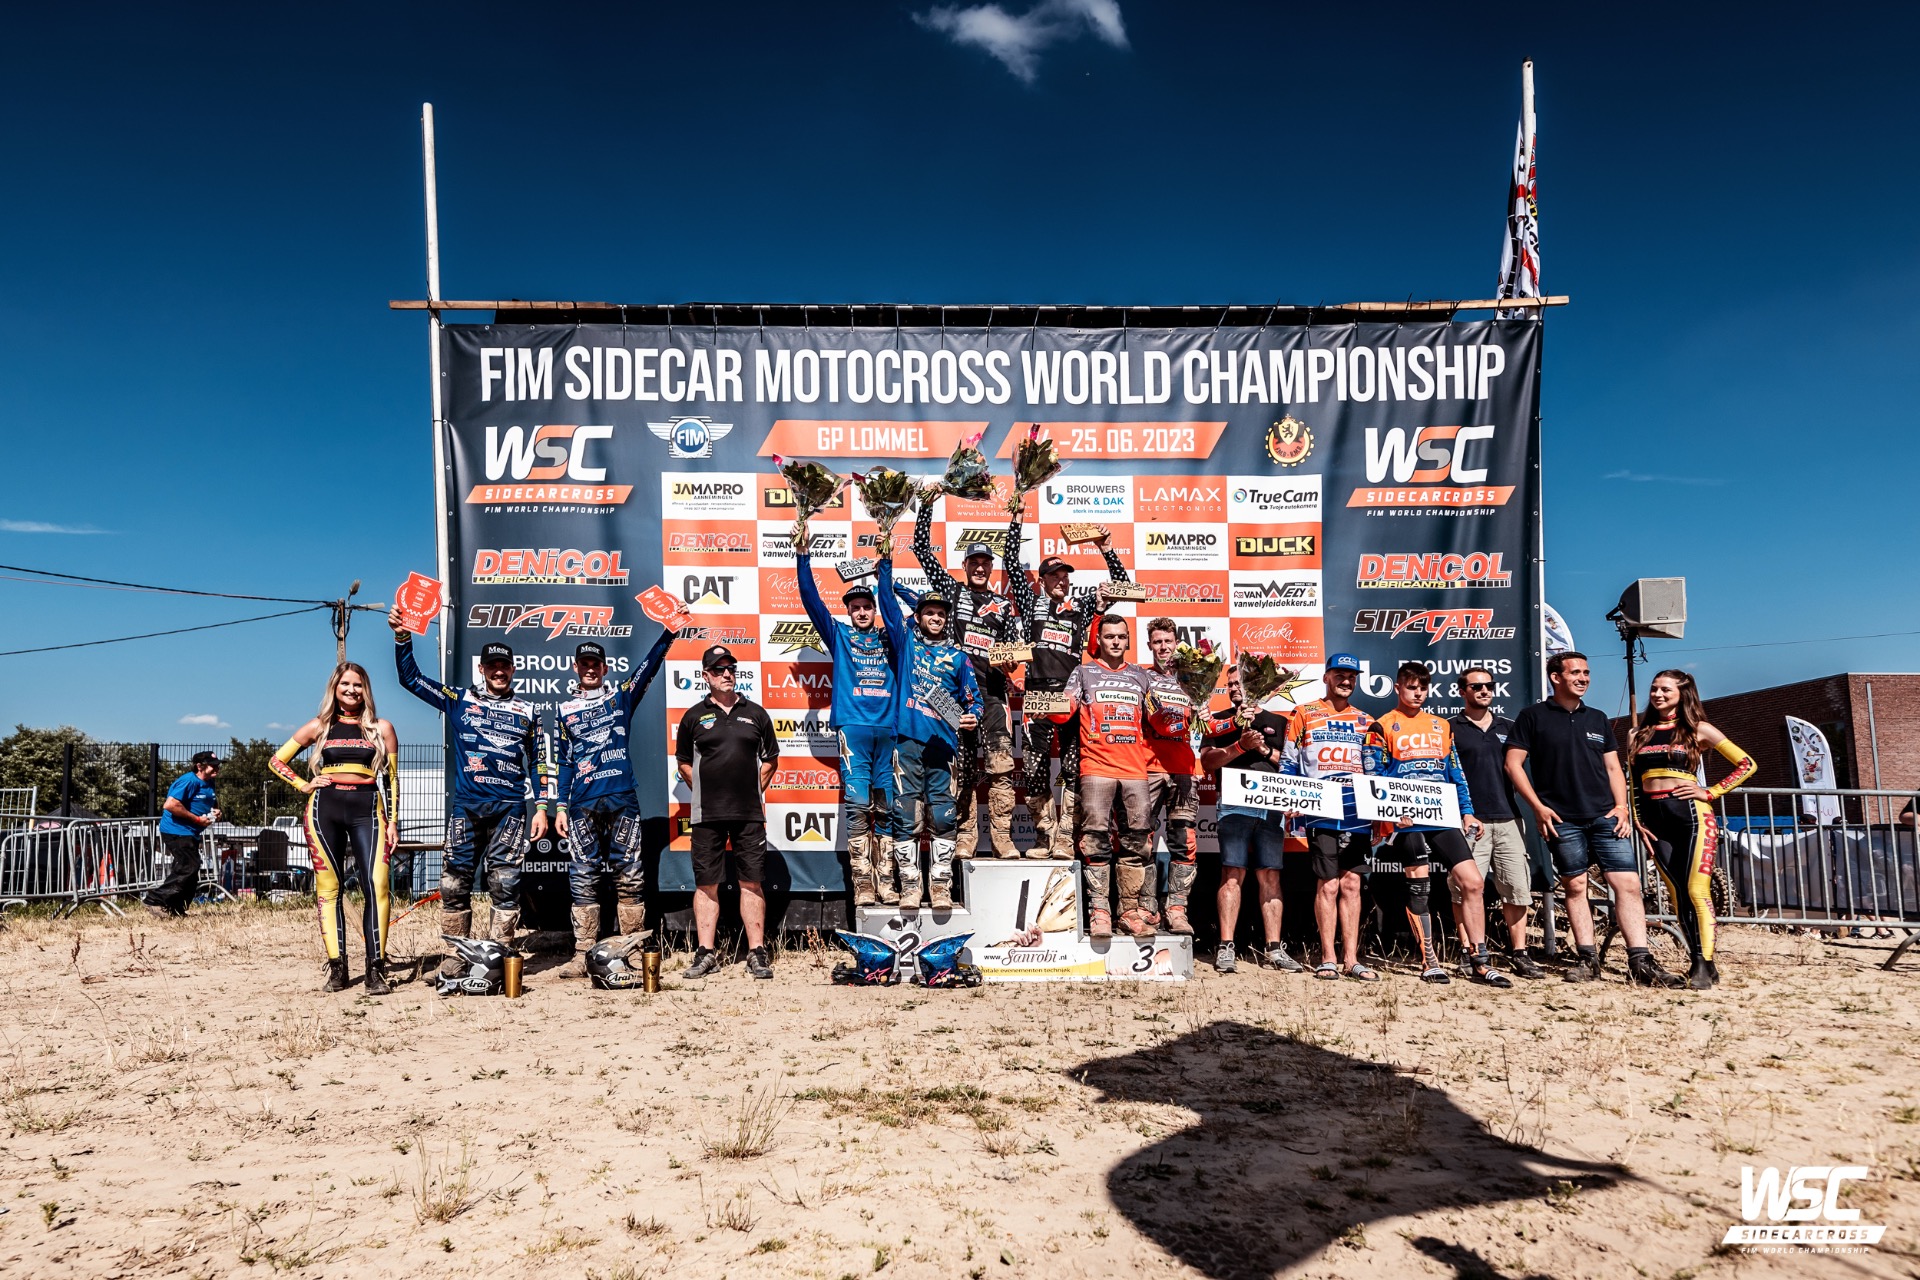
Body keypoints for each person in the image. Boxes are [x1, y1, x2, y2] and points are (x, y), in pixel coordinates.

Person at [1505, 651, 1682, 986]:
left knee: (1628, 884)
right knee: (1575, 886)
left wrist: (1622, 807)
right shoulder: (1532, 716)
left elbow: (1613, 767)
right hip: (1562, 820)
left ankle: (1640, 961)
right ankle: (1587, 960)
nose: (1583, 678)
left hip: (1606, 816)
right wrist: (1538, 807)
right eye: (1575, 673)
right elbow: (1513, 765)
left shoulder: (1598, 718)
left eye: (1586, 673)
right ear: (1556, 677)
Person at [390, 613, 550, 968]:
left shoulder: (528, 711)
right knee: (453, 882)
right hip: (467, 805)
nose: (498, 672)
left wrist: (541, 806)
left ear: (513, 670)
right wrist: (402, 638)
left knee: (505, 882)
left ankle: (499, 956)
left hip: (509, 808)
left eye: (504, 666)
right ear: (482, 668)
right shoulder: (459, 699)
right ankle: (455, 956)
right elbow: (411, 679)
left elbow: (539, 760)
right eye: (492, 666)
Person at [1364, 662, 1510, 988]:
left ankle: (1480, 961)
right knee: (1420, 884)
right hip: (1405, 816)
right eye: (1411, 687)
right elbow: (1372, 774)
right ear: (1398, 688)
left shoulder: (1440, 726)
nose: (1418, 693)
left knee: (1473, 882)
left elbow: (1455, 772)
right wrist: (1388, 812)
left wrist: (1467, 812)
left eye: (1423, 688)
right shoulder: (1381, 725)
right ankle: (1429, 961)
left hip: (1440, 814)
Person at [550, 626, 677, 978]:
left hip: (621, 798)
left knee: (630, 875)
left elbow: (648, 667)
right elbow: (564, 762)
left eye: (596, 663)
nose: (590, 668)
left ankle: (629, 951)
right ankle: (582, 954)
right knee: (582, 875)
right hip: (582, 803)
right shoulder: (565, 709)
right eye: (585, 663)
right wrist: (559, 806)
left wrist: (668, 633)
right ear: (576, 667)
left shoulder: (621, 696)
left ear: (605, 668)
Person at [1003, 511, 1129, 857]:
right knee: (1034, 768)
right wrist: (1017, 515)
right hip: (1038, 694)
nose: (1061, 580)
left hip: (1073, 696)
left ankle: (1064, 840)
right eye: (1054, 576)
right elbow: (1010, 559)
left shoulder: (1081, 608)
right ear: (1042, 580)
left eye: (1065, 576)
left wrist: (1106, 547)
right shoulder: (1029, 602)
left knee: (1074, 768)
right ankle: (1044, 837)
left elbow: (1121, 584)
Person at [268, 664, 400, 994]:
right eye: (345, 684)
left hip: (369, 809)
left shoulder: (381, 728)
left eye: (358, 684)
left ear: (366, 689)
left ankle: (375, 970)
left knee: (377, 885)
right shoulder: (320, 726)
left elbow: (392, 779)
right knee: (328, 889)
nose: (352, 690)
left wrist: (394, 822)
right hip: (323, 809)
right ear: (335, 688)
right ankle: (337, 968)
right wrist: (303, 784)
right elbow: (276, 761)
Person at [1627, 669, 1755, 989]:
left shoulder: (1699, 729)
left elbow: (1747, 764)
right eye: (1654, 689)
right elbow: (1634, 785)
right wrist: (1638, 821)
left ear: (1682, 694)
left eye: (1665, 690)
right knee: (1677, 893)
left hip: (1693, 816)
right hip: (1654, 821)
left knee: (1696, 890)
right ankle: (1702, 962)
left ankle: (1701, 963)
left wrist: (1710, 792)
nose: (1657, 694)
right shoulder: (1636, 734)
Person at [912, 494, 1023, 859]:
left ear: (991, 568)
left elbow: (1012, 653)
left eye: (984, 563)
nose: (979, 568)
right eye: (973, 562)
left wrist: (1010, 660)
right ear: (963, 566)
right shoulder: (952, 591)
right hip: (954, 696)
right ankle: (965, 837)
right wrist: (928, 503)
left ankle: (1003, 838)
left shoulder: (1003, 605)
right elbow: (922, 549)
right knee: (959, 768)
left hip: (992, 694)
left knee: (1001, 767)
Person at [797, 527, 899, 907]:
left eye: (866, 606)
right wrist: (803, 555)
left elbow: (891, 604)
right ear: (849, 612)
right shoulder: (839, 635)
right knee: (857, 805)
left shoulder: (891, 637)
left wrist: (885, 564)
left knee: (887, 806)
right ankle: (863, 884)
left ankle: (886, 881)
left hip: (888, 730)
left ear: (873, 609)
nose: (861, 612)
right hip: (853, 730)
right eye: (855, 607)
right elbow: (811, 600)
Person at [876, 556, 981, 910]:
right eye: (929, 613)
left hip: (943, 746)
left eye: (940, 614)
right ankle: (910, 886)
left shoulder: (959, 658)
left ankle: (940, 887)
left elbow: (974, 701)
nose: (935, 618)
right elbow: (888, 605)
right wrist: (886, 565)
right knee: (905, 815)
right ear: (918, 617)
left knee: (943, 816)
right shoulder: (906, 644)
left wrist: (972, 717)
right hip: (907, 740)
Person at [675, 645, 781, 979]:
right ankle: (706, 953)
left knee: (751, 882)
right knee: (706, 884)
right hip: (706, 815)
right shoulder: (693, 716)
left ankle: (756, 953)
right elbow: (683, 764)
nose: (726, 674)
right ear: (705, 675)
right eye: (718, 669)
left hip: (749, 814)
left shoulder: (757, 714)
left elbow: (771, 760)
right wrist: (705, 792)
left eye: (730, 669)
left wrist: (751, 791)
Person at [1050, 614, 1156, 938]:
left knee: (1136, 843)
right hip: (1096, 768)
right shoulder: (1084, 672)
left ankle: (1129, 912)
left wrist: (1188, 712)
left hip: (1135, 771)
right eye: (1109, 636)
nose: (1115, 642)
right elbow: (1064, 710)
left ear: (1128, 640)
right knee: (1095, 842)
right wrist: (1046, 704)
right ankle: (1099, 912)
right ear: (1099, 640)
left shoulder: (1141, 675)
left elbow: (1158, 719)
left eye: (1121, 636)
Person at [1280, 653, 1378, 981]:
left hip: (1357, 812)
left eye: (1351, 676)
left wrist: (1382, 812)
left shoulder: (1366, 720)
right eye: (1339, 675)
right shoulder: (1303, 713)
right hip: (1321, 810)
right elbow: (1289, 760)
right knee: (1329, 884)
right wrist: (1290, 795)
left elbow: (1374, 769)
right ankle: (1328, 958)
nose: (1345, 681)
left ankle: (1352, 959)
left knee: (1352, 884)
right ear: (1326, 678)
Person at [1198, 666, 1300, 973]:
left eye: (1238, 682)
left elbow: (1291, 765)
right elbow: (1207, 762)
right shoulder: (1218, 721)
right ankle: (1226, 946)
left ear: (1256, 683)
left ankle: (1274, 949)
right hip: (1233, 805)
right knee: (1232, 873)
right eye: (1229, 684)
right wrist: (1239, 746)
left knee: (1270, 876)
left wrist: (1263, 748)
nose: (1233, 688)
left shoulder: (1279, 721)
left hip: (1271, 806)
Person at [1450, 668, 1543, 978]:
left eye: (1489, 685)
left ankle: (1520, 953)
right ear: (1462, 691)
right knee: (1464, 890)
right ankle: (1469, 951)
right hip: (1467, 821)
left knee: (1516, 889)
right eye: (1476, 686)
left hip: (1508, 818)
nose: (1484, 690)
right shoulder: (1449, 728)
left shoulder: (1510, 727)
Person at [1141, 618, 1201, 935]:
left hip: (1184, 769)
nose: (1163, 647)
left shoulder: (1193, 681)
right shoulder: (1142, 678)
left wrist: (1210, 717)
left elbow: (1205, 723)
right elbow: (1159, 721)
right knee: (1142, 840)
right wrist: (1186, 721)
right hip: (1149, 768)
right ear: (1149, 645)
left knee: (1184, 840)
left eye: (1168, 641)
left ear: (1177, 643)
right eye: (1157, 642)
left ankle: (1177, 910)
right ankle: (1146, 909)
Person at [145, 750, 220, 918]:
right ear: (199, 766)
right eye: (212, 765)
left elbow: (210, 801)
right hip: (176, 831)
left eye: (218, 765)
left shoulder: (209, 782)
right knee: (189, 866)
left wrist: (215, 811)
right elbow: (170, 805)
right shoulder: (188, 781)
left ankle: (176, 908)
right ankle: (155, 900)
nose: (217, 768)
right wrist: (196, 819)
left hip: (191, 832)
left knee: (191, 869)